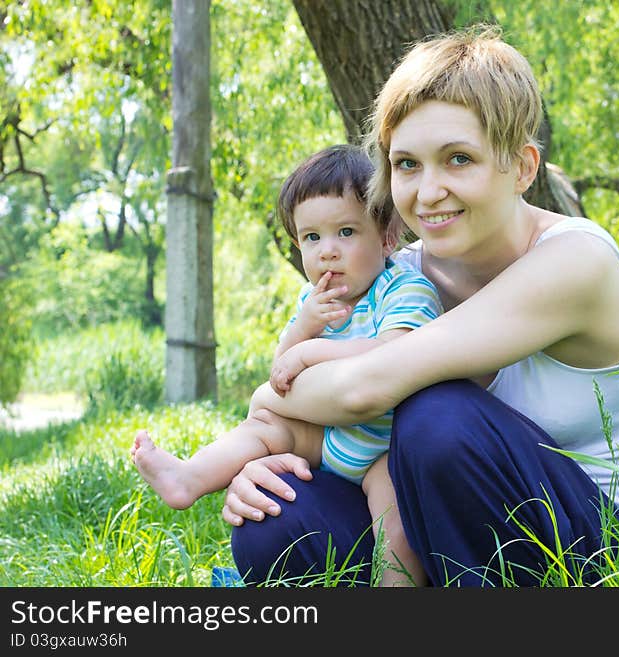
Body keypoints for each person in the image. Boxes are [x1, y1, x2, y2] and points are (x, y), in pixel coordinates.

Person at [223, 25, 619, 587]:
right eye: (407, 164)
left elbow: (360, 390)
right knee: (277, 517)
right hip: (442, 519)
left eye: (458, 159)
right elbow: (313, 398)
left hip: (594, 535)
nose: (427, 192)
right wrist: (265, 456)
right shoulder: (399, 278)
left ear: (523, 167)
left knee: (437, 419)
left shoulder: (576, 259)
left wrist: (274, 399)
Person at [131, 144, 443, 587]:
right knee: (265, 426)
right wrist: (302, 329)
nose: (327, 252)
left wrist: (310, 352)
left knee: (394, 524)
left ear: (387, 235)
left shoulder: (404, 289)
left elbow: (394, 353)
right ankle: (188, 477)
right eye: (312, 238)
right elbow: (281, 379)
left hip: (386, 447)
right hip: (327, 437)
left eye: (347, 232)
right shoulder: (312, 302)